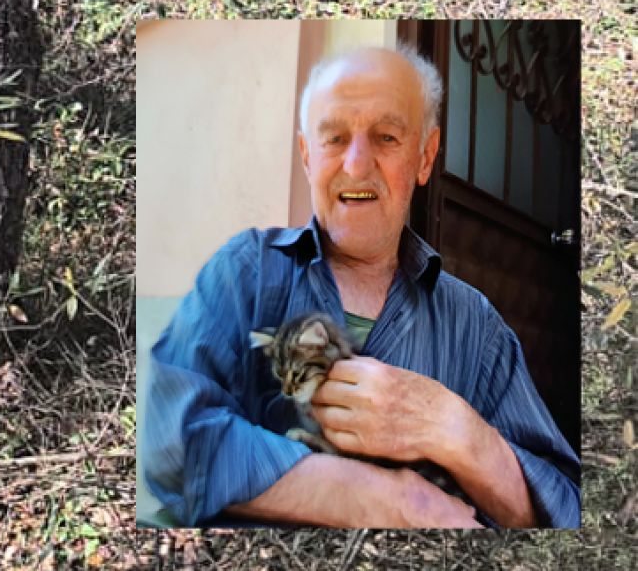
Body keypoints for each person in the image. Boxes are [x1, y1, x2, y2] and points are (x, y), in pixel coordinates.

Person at [142, 46, 579, 528]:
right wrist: (388, 500)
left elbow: (563, 513)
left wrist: (458, 431)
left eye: (387, 137)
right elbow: (170, 440)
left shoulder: (476, 326)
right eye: (333, 138)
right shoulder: (245, 273)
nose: (355, 165)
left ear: (424, 157)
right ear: (307, 156)